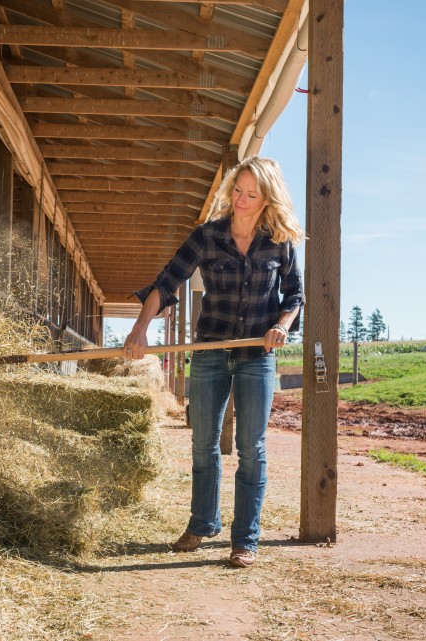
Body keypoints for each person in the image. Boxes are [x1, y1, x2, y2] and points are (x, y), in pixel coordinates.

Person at [123, 156, 305, 568]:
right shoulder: (207, 236)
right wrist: (139, 329)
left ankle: (245, 540)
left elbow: (294, 296)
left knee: (251, 448)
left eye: (251, 194)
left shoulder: (279, 242)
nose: (241, 200)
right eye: (237, 191)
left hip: (256, 356)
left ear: (267, 198)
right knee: (203, 445)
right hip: (209, 354)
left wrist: (282, 326)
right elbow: (167, 281)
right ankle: (202, 524)